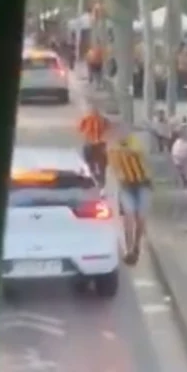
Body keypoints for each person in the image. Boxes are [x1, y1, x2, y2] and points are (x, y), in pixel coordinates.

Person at [110, 130, 154, 265]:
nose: (120, 136)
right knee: (128, 217)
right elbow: (114, 167)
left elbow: (139, 151)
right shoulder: (113, 149)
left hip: (143, 184)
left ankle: (136, 245)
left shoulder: (136, 143)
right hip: (126, 186)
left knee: (140, 219)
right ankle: (129, 250)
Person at [77, 103, 111, 188]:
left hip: (90, 143)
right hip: (100, 144)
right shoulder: (103, 119)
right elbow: (108, 128)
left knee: (89, 162)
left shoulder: (86, 119)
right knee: (102, 164)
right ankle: (101, 181)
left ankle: (93, 178)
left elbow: (80, 129)